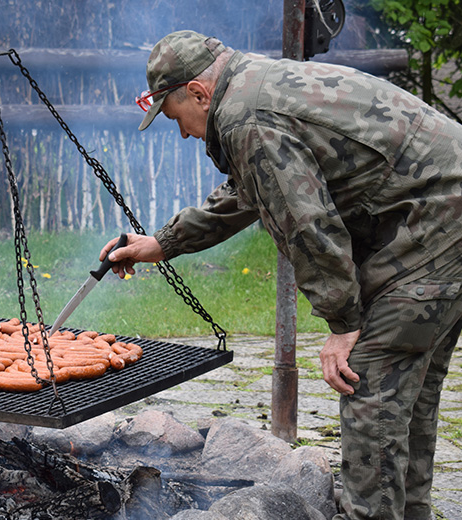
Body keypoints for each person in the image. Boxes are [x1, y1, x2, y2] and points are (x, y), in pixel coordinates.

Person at [101, 30, 462, 520]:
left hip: (437, 225)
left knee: (368, 384)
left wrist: (342, 323)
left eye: (174, 116)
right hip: (439, 218)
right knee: (405, 393)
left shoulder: (246, 117)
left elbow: (307, 223)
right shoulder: (253, 87)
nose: (183, 132)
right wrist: (163, 242)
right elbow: (254, 188)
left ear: (199, 92)